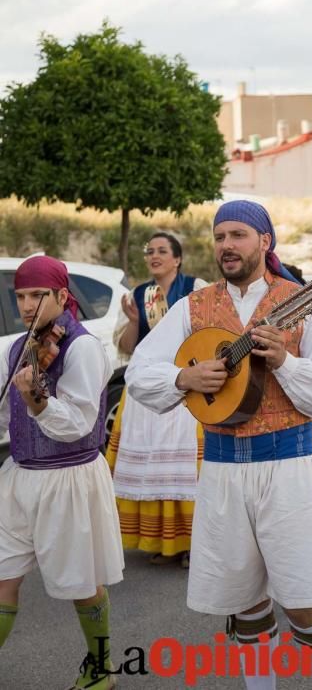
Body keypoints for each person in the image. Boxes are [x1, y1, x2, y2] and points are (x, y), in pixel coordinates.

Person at [125, 200, 312, 690]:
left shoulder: (300, 302)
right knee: (244, 603)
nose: (227, 245)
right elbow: (141, 371)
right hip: (223, 472)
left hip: (287, 467)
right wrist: (186, 375)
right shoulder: (195, 305)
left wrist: (286, 364)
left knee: (301, 600)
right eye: (220, 236)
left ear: (264, 241)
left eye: (238, 235)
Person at [0, 255, 124, 690]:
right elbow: (5, 416)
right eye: (21, 296)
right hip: (19, 476)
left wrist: (39, 401)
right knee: (1, 576)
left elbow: (76, 423)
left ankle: (100, 669)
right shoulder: (17, 347)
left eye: (37, 295)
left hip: (68, 478)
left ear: (61, 295)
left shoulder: (83, 347)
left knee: (82, 584)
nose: (28, 305)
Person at [106, 232, 207, 569]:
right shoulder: (138, 295)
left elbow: (208, 332)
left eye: (162, 251)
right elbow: (127, 347)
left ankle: (195, 541)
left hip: (184, 384)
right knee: (154, 468)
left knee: (185, 470)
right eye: (150, 251)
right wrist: (135, 322)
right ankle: (165, 542)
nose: (155, 256)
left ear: (177, 259)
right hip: (150, 390)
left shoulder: (196, 289)